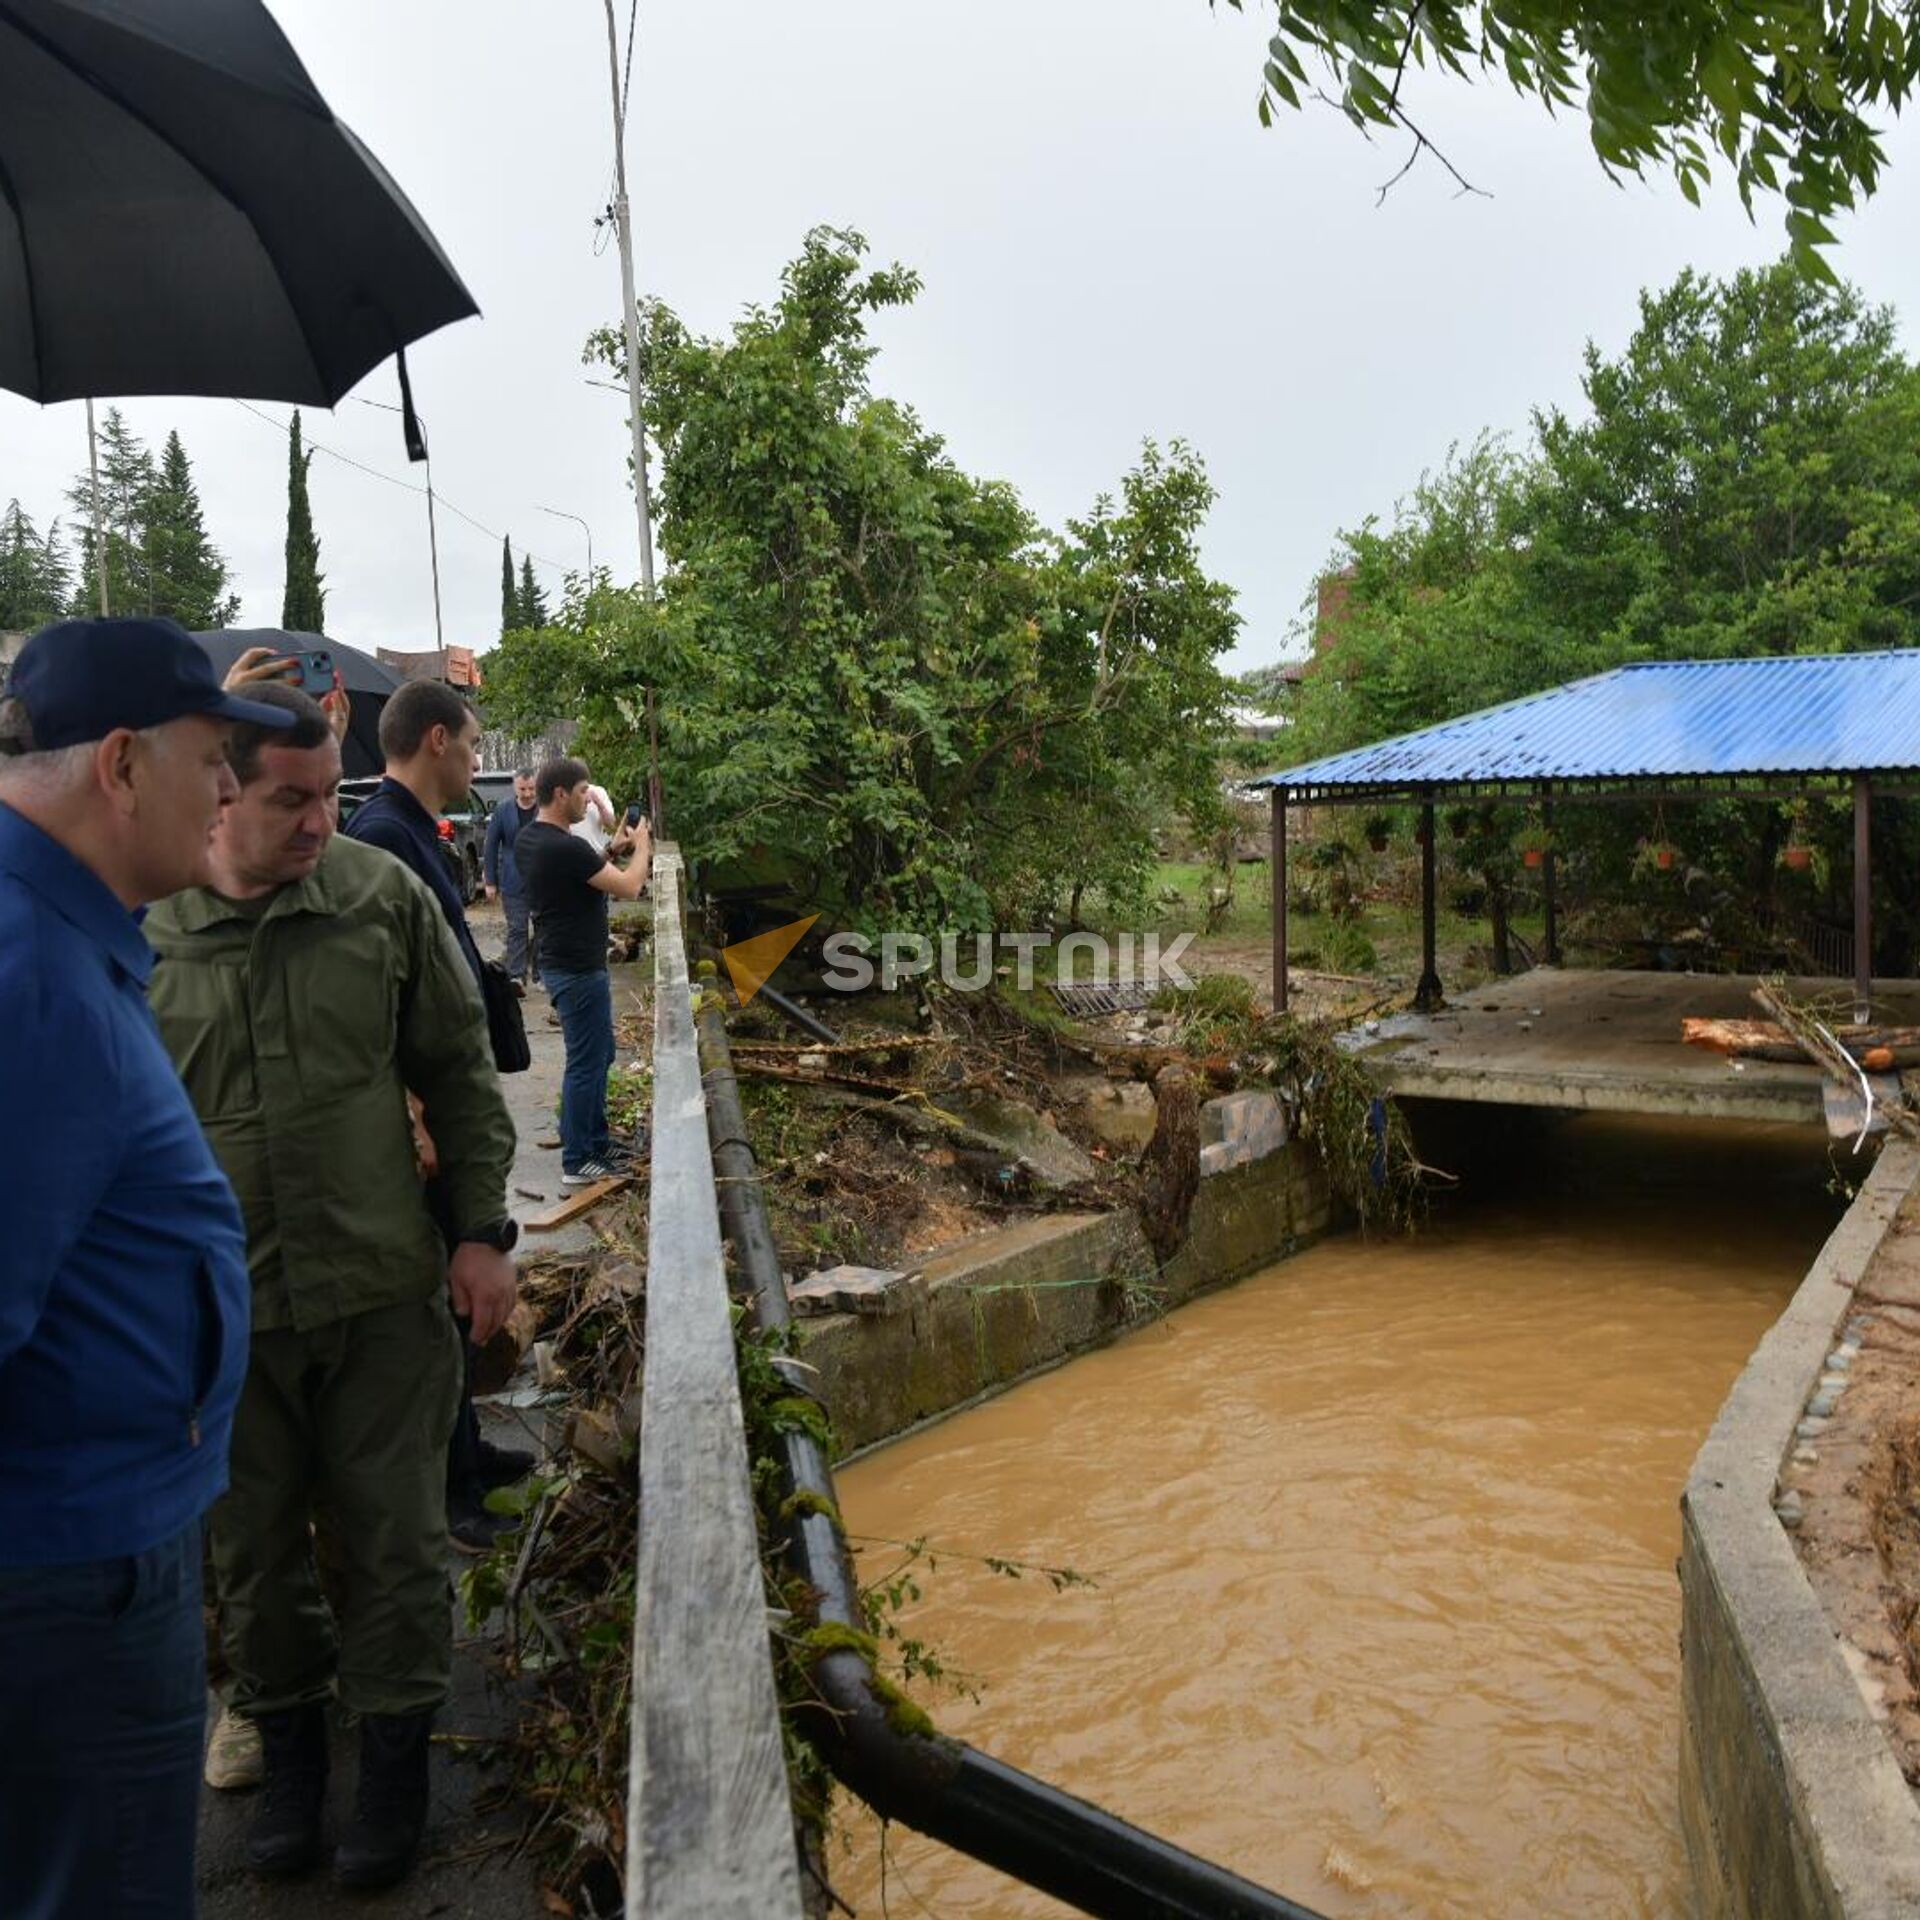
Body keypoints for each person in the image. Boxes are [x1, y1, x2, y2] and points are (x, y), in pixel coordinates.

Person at [145, 683, 519, 1893]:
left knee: (399, 1540)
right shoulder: (141, 927)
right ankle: (295, 1760)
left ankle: (399, 1769)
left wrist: (481, 1233)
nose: (320, 823)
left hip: (374, 1292)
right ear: (218, 791)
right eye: (290, 801)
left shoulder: (377, 898)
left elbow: (458, 1072)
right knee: (251, 1559)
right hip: (221, 1313)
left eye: (330, 795)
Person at [0, 616, 296, 1920]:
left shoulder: (61, 932)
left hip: (94, 1540)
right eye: (215, 757)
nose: (231, 790)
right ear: (123, 764)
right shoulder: (30, 979)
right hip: (73, 1574)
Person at [342, 680, 532, 1554]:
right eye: (470, 743)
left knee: (454, 1304)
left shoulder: (412, 831)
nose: (476, 758)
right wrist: (414, 1110)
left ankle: (467, 1452)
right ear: (433, 740)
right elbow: (376, 996)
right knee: (433, 1306)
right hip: (416, 1111)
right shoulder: (382, 836)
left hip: (445, 1096)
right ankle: (449, 1495)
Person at [515, 757, 651, 1186]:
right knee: (586, 1063)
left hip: (562, 961)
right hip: (577, 968)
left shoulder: (532, 839)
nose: (586, 800)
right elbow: (630, 887)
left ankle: (596, 1140)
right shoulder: (565, 846)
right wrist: (643, 845)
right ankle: (578, 1159)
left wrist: (612, 849)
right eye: (581, 793)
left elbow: (578, 875)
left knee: (600, 1055)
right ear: (560, 794)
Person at [482, 766, 539, 985]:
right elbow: (491, 846)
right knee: (517, 929)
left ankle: (540, 973)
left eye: (531, 789)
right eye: (522, 789)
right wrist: (490, 881)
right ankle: (516, 975)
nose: (527, 794)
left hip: (541, 880)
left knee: (543, 927)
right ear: (515, 788)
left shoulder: (545, 810)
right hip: (512, 880)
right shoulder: (503, 811)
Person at [568, 774, 616, 854]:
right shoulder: (566, 793)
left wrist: (598, 802)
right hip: (575, 853)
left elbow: (611, 824)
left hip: (599, 852)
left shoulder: (599, 791)